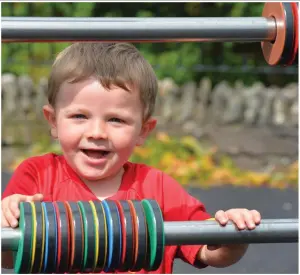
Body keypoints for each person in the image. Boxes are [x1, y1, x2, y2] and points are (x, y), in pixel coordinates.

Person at [1, 42, 261, 273]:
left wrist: (232, 236)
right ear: (53, 121)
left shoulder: (157, 187)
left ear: (143, 131)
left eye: (116, 120)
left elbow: (209, 250)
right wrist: (6, 221)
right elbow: (7, 258)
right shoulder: (36, 176)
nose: (96, 132)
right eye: (79, 116)